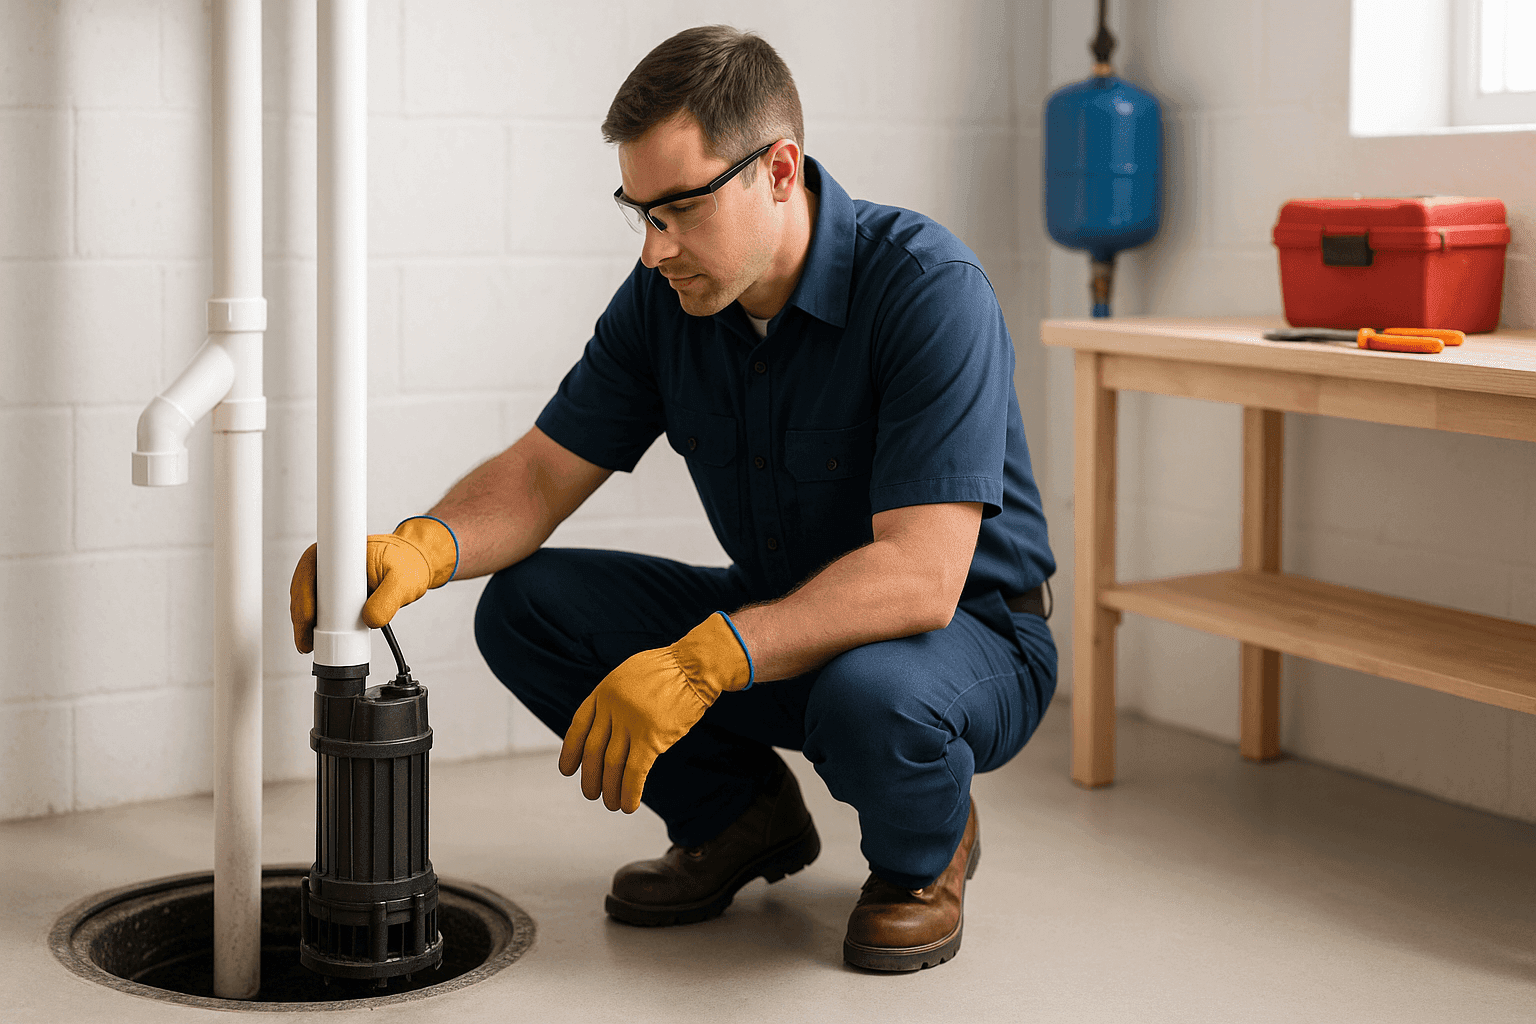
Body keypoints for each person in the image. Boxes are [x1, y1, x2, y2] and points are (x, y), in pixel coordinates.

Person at [290, 24, 1056, 973]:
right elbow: (540, 473)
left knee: (875, 700)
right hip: (777, 623)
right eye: (641, 212)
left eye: (681, 210)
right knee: (528, 611)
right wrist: (425, 546)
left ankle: (924, 854)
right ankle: (740, 818)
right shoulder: (670, 301)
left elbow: (921, 577)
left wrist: (702, 662)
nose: (656, 248)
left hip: (966, 639)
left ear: (779, 169)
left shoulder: (927, 291)